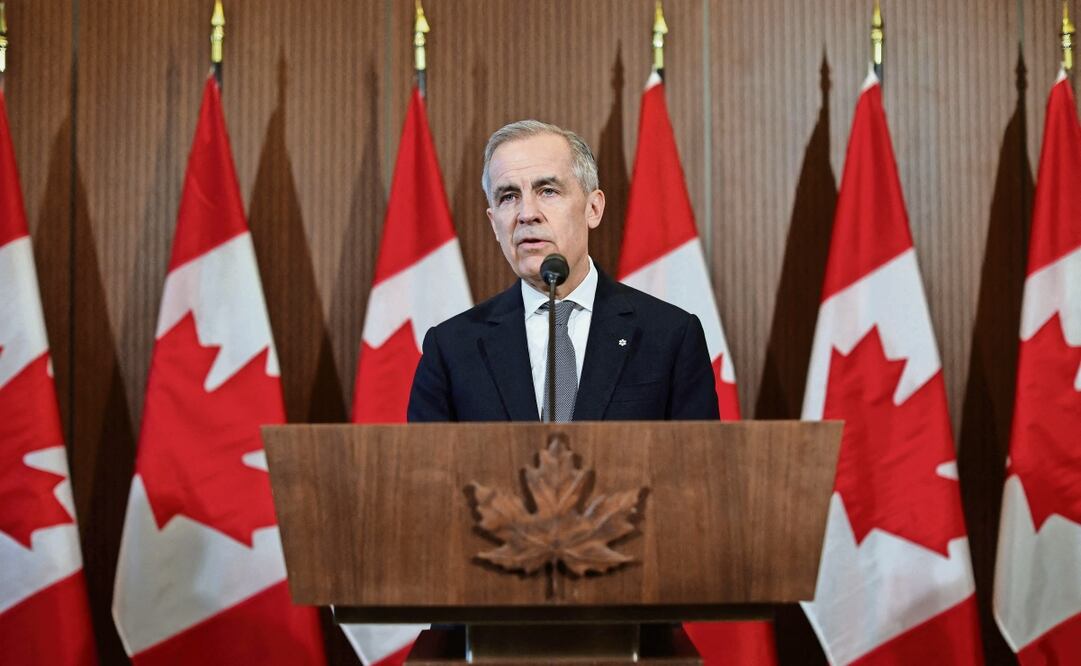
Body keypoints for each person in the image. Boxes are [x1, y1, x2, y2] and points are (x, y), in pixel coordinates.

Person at [407, 120, 718, 422]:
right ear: (494, 223)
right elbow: (426, 472)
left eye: (548, 191)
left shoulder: (670, 337)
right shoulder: (451, 350)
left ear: (593, 209)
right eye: (509, 197)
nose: (527, 214)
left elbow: (697, 465)